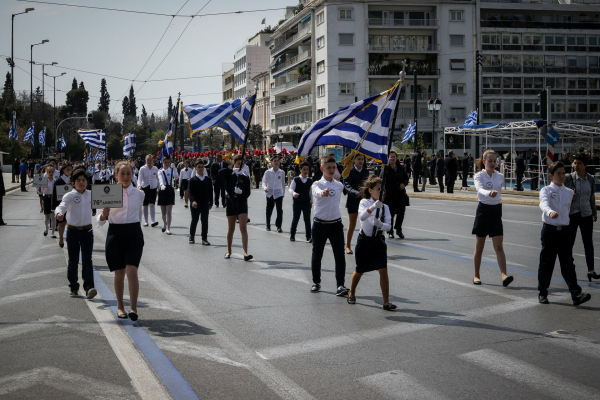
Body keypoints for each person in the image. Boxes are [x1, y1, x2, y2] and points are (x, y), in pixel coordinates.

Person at [538, 161, 591, 306]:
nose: (562, 176)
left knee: (568, 263)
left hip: (565, 232)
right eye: (558, 174)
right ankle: (543, 292)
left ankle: (576, 294)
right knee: (546, 263)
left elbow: (572, 210)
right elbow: (543, 204)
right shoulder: (546, 190)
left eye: (563, 173)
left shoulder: (569, 192)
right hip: (549, 230)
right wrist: (550, 212)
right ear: (551, 175)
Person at [98, 161, 145, 321]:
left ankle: (133, 308)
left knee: (132, 271)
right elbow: (100, 221)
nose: (125, 177)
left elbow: (140, 215)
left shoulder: (139, 194)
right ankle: (120, 307)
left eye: (128, 173)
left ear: (133, 174)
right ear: (116, 175)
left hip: (134, 234)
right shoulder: (108, 192)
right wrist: (104, 214)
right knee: (119, 273)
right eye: (122, 173)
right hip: (115, 234)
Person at [347, 175, 396, 310]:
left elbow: (389, 226)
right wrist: (373, 207)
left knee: (383, 270)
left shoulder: (385, 207)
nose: (382, 193)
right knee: (359, 270)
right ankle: (352, 292)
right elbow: (362, 217)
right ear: (370, 190)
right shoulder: (364, 203)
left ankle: (386, 302)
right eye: (379, 190)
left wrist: (380, 224)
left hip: (378, 241)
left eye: (383, 190)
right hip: (365, 240)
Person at [472, 150, 513, 287]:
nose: (492, 163)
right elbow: (479, 189)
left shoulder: (500, 176)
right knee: (480, 246)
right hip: (483, 211)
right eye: (489, 161)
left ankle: (504, 275)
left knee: (499, 246)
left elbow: (499, 192)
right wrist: (489, 193)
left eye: (494, 161)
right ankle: (476, 275)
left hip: (496, 211)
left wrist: (493, 195)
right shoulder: (479, 175)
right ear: (484, 162)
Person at [310, 154, 348, 296]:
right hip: (320, 225)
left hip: (336, 225)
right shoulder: (316, 184)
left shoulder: (339, 185)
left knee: (339, 256)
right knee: (317, 255)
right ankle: (316, 282)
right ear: (322, 168)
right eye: (329, 168)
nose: (332, 170)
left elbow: (347, 191)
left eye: (334, 167)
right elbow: (316, 193)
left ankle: (340, 285)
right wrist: (322, 193)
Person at [55, 169, 97, 299]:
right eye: (78, 180)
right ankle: (73, 286)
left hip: (87, 231)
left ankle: (89, 286)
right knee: (73, 261)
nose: (81, 182)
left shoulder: (92, 194)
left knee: (87, 260)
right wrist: (59, 214)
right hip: (72, 231)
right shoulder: (69, 196)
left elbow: (101, 206)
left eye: (83, 180)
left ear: (87, 182)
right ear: (73, 183)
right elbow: (61, 206)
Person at [565, 154, 598, 281]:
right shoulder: (569, 178)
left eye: (579, 163)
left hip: (586, 215)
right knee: (570, 243)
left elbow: (591, 197)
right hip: (573, 214)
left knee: (588, 243)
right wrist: (569, 197)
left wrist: (594, 213)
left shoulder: (590, 179)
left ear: (585, 165)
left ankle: (591, 270)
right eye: (574, 163)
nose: (576, 165)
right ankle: (568, 269)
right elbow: (561, 195)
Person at [219, 155, 252, 260]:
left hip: (242, 202)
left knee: (243, 227)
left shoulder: (245, 177)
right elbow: (220, 172)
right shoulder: (230, 174)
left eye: (242, 164)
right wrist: (232, 171)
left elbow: (248, 192)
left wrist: (241, 192)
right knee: (231, 228)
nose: (240, 166)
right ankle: (228, 251)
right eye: (238, 163)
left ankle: (245, 252)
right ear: (234, 163)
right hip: (231, 202)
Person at [343, 154, 369, 254]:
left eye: (362, 159)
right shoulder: (348, 171)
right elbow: (347, 186)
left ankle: (365, 246)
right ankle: (348, 246)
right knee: (352, 224)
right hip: (353, 201)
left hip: (364, 201)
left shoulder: (366, 171)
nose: (361, 161)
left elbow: (368, 184)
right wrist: (356, 193)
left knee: (366, 224)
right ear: (354, 160)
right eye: (358, 159)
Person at [383, 150, 408, 239]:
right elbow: (381, 182)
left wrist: (404, 183)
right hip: (390, 195)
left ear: (396, 158)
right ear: (388, 158)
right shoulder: (385, 168)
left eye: (394, 157)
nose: (392, 158)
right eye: (391, 157)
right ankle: (390, 231)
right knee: (391, 214)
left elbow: (406, 178)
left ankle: (398, 229)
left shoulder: (401, 168)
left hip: (400, 194)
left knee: (401, 212)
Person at [188, 160, 213, 245]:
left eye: (202, 167)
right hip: (195, 203)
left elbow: (210, 191)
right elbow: (190, 192)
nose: (200, 168)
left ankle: (204, 238)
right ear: (195, 168)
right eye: (198, 167)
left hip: (205, 203)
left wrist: (211, 203)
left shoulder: (208, 179)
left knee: (204, 220)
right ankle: (191, 236)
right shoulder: (192, 180)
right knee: (195, 219)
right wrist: (192, 201)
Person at [289, 161, 313, 242]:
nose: (306, 171)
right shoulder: (296, 179)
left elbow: (310, 192)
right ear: (300, 170)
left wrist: (311, 202)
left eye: (307, 169)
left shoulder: (310, 180)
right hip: (297, 202)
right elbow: (291, 189)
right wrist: (294, 193)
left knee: (307, 219)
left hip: (306, 202)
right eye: (304, 169)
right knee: (296, 218)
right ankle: (292, 235)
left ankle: (309, 237)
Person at [52, 163, 73, 248]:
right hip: (61, 204)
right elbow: (54, 194)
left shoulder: (73, 180)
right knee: (61, 223)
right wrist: (54, 208)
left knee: (70, 223)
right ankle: (61, 238)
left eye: (70, 169)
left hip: (72, 204)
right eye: (67, 169)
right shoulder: (58, 180)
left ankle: (69, 238)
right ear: (63, 170)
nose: (69, 171)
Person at [262, 156, 286, 232]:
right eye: (274, 161)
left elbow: (283, 183)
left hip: (278, 193)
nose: (276, 162)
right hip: (270, 193)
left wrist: (283, 193)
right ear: (271, 162)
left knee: (279, 210)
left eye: (277, 161)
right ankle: (268, 225)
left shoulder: (281, 172)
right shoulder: (268, 172)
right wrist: (265, 188)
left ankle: (279, 226)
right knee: (269, 210)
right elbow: (264, 182)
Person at [157, 157, 179, 235]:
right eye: (165, 162)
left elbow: (176, 177)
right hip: (163, 190)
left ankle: (168, 228)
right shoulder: (160, 171)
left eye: (168, 162)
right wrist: (161, 185)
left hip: (170, 190)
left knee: (169, 211)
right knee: (163, 212)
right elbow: (160, 179)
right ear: (163, 162)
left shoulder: (172, 170)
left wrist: (175, 168)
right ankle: (165, 224)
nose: (167, 164)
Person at [138, 155, 159, 227]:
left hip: (153, 187)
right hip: (145, 187)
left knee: (152, 204)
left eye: (150, 160)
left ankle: (153, 221)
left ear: (153, 160)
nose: (149, 161)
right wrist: (139, 186)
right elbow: (140, 178)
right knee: (145, 205)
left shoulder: (155, 168)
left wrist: (159, 188)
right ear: (145, 160)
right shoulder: (142, 168)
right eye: (148, 160)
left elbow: (158, 179)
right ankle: (146, 221)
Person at [40, 165, 57, 238]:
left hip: (53, 198)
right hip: (46, 198)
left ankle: (53, 233)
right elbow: (41, 191)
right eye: (49, 172)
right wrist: (40, 189)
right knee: (47, 217)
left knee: (53, 216)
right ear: (46, 172)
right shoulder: (44, 180)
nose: (51, 173)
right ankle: (46, 229)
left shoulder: (55, 181)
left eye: (52, 172)